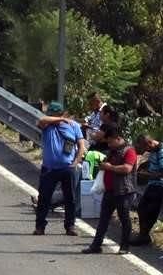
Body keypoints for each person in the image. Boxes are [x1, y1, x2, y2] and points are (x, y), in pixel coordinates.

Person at [82, 124, 137, 254]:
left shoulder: (129, 151)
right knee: (103, 219)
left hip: (124, 191)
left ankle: (124, 246)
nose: (109, 145)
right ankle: (96, 245)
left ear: (117, 138)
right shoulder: (112, 151)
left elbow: (127, 168)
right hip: (110, 191)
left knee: (124, 219)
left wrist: (110, 167)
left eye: (110, 142)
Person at [33, 101, 85, 236]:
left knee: (70, 199)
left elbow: (81, 146)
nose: (50, 116)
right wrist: (61, 119)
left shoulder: (73, 126)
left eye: (53, 114)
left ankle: (70, 226)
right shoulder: (46, 125)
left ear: (60, 113)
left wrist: (75, 163)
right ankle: (40, 226)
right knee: (44, 198)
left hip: (67, 168)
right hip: (49, 168)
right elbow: (41, 120)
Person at [130, 134, 163, 246]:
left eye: (145, 148)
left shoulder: (161, 152)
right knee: (141, 208)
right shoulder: (154, 150)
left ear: (149, 143)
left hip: (160, 186)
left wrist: (149, 175)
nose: (145, 151)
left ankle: (143, 236)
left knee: (150, 211)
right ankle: (143, 235)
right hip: (153, 184)